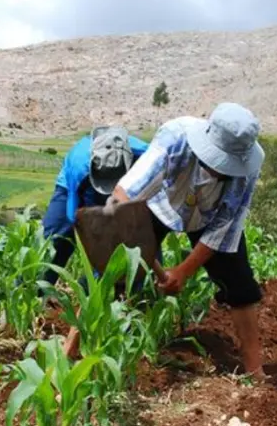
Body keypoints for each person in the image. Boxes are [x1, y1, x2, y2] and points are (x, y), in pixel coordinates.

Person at [96, 101, 267, 376]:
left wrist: (183, 272)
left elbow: (225, 228)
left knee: (240, 285)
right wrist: (135, 239)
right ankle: (76, 354)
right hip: (159, 204)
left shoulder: (246, 169)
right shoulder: (175, 138)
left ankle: (254, 370)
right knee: (111, 273)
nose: (222, 170)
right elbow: (124, 195)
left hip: (209, 216)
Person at [39, 126, 150, 288]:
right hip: (79, 185)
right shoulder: (79, 167)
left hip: (129, 189)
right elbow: (73, 216)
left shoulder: (146, 159)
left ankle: (123, 293)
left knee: (135, 247)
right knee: (55, 241)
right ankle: (33, 292)